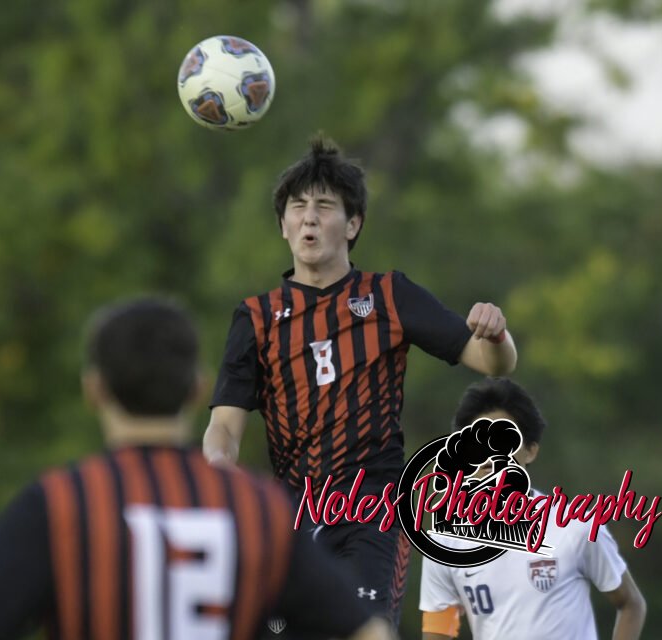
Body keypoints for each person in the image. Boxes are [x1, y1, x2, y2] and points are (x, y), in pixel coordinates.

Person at [0, 297, 395, 640]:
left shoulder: (61, 504)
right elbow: (368, 631)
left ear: (94, 390)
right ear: (197, 388)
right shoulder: (258, 508)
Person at [203, 136, 518, 630]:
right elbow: (224, 424)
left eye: (324, 206)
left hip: (373, 507)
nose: (309, 218)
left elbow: (493, 362)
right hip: (293, 511)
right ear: (283, 225)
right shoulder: (256, 318)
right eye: (298, 207)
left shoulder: (390, 295)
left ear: (353, 224)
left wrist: (496, 334)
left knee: (365, 629)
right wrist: (219, 466)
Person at [419, 377, 647, 640]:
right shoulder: (445, 544)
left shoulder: (575, 526)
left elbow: (631, 604)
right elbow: (438, 631)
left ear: (530, 451)